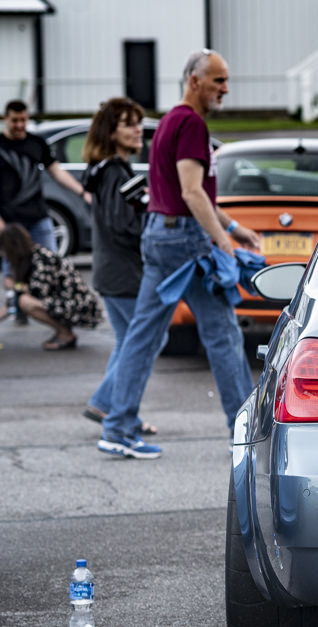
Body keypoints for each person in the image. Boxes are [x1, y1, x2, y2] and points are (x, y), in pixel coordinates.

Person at [97, 49, 261, 460]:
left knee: (144, 335)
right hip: (185, 240)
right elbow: (191, 192)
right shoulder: (191, 124)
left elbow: (193, 193)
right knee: (223, 335)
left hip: (161, 234)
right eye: (218, 80)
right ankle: (244, 430)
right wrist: (223, 243)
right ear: (194, 80)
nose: (225, 88)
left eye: (226, 80)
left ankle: (117, 428)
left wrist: (233, 229)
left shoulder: (171, 120)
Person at [80, 96, 159, 436]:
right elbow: (121, 224)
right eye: (129, 124)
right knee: (147, 341)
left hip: (112, 271)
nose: (138, 130)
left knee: (131, 341)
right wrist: (154, 230)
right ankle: (112, 407)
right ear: (110, 132)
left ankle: (111, 406)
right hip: (123, 274)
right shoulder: (114, 172)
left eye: (138, 123)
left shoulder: (107, 170)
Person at [0, 99, 92, 324]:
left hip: (38, 216)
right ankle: (17, 307)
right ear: (6, 119)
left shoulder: (36, 143)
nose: (19, 125)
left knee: (50, 263)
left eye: (23, 120)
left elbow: (57, 171)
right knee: (12, 268)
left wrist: (82, 191)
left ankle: (53, 309)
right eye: (15, 120)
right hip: (10, 221)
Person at [0, 224, 100, 350]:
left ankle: (65, 334)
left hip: (81, 307)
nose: (3, 253)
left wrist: (16, 287)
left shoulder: (41, 259)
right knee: (24, 300)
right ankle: (62, 331)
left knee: (25, 302)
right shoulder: (29, 258)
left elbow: (39, 293)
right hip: (66, 303)